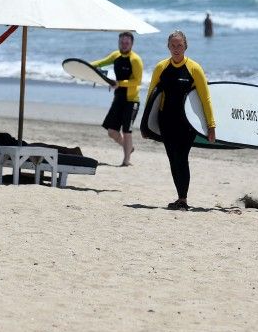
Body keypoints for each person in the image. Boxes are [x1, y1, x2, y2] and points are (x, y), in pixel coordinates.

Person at [143, 30, 215, 210]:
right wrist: (145, 124)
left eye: (179, 45)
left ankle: (183, 199)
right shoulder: (161, 68)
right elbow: (151, 95)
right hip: (165, 120)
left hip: (186, 123)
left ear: (186, 46)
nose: (176, 49)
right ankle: (180, 197)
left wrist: (210, 125)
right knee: (172, 159)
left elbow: (206, 98)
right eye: (173, 45)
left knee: (182, 158)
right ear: (168, 46)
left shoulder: (194, 68)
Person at [91, 31, 143, 166]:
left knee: (127, 131)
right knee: (112, 132)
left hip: (132, 100)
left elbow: (137, 81)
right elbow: (101, 62)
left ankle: (126, 161)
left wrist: (120, 83)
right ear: (119, 42)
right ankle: (128, 148)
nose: (124, 45)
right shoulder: (116, 55)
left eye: (127, 43)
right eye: (122, 42)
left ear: (132, 44)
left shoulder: (135, 59)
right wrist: (85, 66)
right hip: (119, 98)